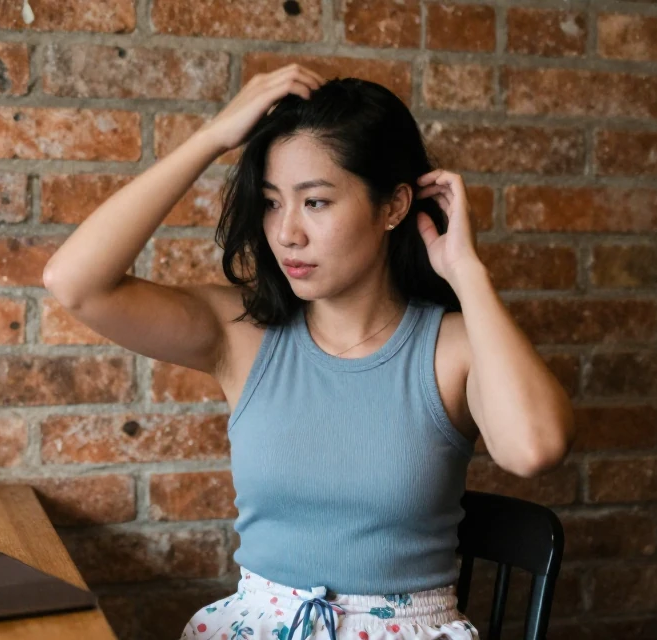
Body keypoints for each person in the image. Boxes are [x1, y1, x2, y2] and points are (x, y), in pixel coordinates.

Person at [42, 64, 576, 640]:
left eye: (315, 203)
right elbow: (74, 282)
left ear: (393, 207)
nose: (287, 233)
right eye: (272, 203)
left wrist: (466, 272)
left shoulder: (452, 345)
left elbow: (534, 449)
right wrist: (214, 137)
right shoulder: (242, 334)